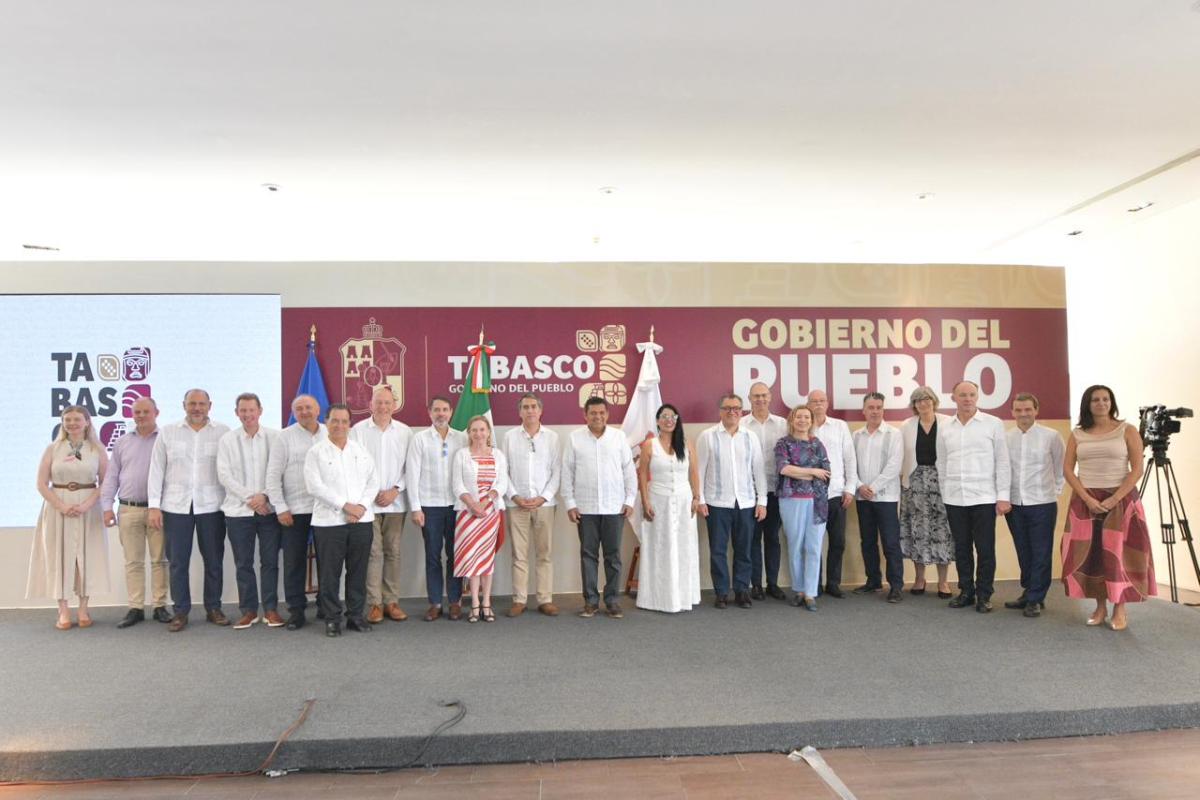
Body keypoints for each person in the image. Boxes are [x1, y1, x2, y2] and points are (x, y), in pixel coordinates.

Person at [1061, 385, 1155, 631]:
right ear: (1088, 404)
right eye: (1095, 399)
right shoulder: (1078, 434)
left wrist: (1114, 499)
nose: (1101, 403)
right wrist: (1086, 498)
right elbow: (1068, 470)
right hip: (1086, 501)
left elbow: (1137, 469)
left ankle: (1120, 608)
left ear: (1112, 403)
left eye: (1106, 399)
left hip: (1121, 500)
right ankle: (1100, 606)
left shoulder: (1127, 430)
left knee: (1118, 556)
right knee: (1092, 556)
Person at [148, 389, 231, 632]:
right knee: (177, 562)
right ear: (184, 405)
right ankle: (180, 612)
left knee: (214, 560)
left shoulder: (223, 432)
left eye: (201, 404)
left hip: (212, 506)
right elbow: (156, 470)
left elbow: (229, 469)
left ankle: (213, 608)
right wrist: (154, 506)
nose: (197, 408)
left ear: (210, 405)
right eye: (192, 403)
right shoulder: (168, 432)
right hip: (175, 506)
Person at [27, 405, 110, 630]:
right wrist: (62, 506)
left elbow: (106, 482)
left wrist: (87, 504)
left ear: (87, 422)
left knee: (87, 556)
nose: (72, 423)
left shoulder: (97, 449)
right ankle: (63, 610)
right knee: (59, 557)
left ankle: (83, 609)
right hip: (57, 507)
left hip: (88, 508)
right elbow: (41, 483)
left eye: (77, 419)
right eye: (67, 420)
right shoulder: (52, 449)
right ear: (62, 423)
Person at [304, 403, 379, 637]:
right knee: (329, 573)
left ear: (349, 424)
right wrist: (345, 506)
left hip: (361, 521)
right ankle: (332, 618)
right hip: (329, 523)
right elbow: (314, 486)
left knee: (358, 571)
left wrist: (361, 507)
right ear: (326, 422)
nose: (339, 425)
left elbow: (373, 481)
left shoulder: (360, 450)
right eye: (334, 421)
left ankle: (355, 616)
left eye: (344, 421)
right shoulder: (316, 452)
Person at [939, 380, 1011, 613]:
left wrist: (1003, 496)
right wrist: (945, 492)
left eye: (971, 394)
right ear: (954, 398)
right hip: (954, 497)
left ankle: (984, 595)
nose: (967, 399)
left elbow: (1002, 461)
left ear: (977, 397)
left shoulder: (993, 423)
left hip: (984, 497)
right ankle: (966, 592)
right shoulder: (945, 427)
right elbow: (942, 462)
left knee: (985, 548)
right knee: (961, 548)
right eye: (963, 395)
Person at [561, 396, 637, 618]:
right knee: (588, 555)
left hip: (614, 507)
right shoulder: (575, 438)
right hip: (586, 509)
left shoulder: (618, 437)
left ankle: (612, 601)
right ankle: (591, 602)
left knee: (613, 556)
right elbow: (567, 472)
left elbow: (628, 470)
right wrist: (570, 503)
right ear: (585, 415)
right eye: (593, 413)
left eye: (602, 412)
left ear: (607, 414)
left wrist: (630, 500)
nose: (598, 416)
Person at [100, 396, 170, 628]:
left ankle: (160, 606)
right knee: (133, 561)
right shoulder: (122, 442)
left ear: (156, 413)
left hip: (157, 510)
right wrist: (107, 507)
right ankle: (136, 607)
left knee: (160, 560)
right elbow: (112, 476)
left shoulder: (165, 440)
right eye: (136, 412)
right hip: (128, 509)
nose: (141, 416)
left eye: (145, 412)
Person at [217, 392, 283, 629]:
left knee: (270, 562)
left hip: (269, 510)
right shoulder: (227, 440)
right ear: (237, 413)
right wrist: (251, 499)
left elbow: (279, 471)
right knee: (243, 563)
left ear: (260, 411)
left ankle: (271, 610)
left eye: (251, 410)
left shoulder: (275, 437)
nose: (247, 414)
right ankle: (249, 611)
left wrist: (264, 496)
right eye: (243, 410)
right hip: (238, 512)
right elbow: (224, 475)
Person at [696, 393, 767, 609]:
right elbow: (699, 470)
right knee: (718, 550)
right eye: (727, 408)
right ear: (720, 411)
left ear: (741, 411)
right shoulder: (707, 436)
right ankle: (721, 592)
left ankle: (742, 590)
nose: (732, 412)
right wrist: (700, 499)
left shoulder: (750, 437)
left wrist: (762, 501)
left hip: (746, 503)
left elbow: (758, 470)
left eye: (736, 408)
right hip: (717, 503)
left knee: (744, 549)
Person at [351, 385, 413, 624]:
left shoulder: (405, 432)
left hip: (396, 503)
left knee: (393, 552)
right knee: (373, 553)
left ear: (394, 406)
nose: (383, 407)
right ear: (371, 405)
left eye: (387, 402)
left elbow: (411, 467)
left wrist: (395, 490)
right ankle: (375, 604)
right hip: (368, 504)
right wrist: (372, 492)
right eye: (379, 402)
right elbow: (354, 466)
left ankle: (391, 602)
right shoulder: (358, 431)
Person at [265, 394, 327, 630]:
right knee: (293, 562)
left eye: (308, 407)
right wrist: (280, 507)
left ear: (318, 409)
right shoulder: (284, 437)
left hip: (326, 509)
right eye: (299, 408)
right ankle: (296, 610)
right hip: (294, 510)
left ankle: (326, 605)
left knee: (328, 561)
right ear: (293, 413)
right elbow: (273, 476)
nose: (304, 412)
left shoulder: (330, 433)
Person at [407, 396, 468, 621]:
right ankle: (435, 603)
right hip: (429, 506)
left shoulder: (462, 438)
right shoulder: (420, 439)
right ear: (429, 412)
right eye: (436, 410)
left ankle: (454, 601)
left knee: (455, 555)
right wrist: (416, 508)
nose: (441, 413)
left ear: (451, 412)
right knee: (433, 555)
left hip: (456, 506)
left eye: (444, 409)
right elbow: (412, 474)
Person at [1004, 392, 1065, 618]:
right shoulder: (1006, 438)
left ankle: (1036, 598)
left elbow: (1060, 468)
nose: (1023, 414)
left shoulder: (1051, 436)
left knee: (1041, 552)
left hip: (1042, 503)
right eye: (1019, 410)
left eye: (1028, 409)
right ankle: (1029, 591)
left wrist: (1053, 493)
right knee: (1023, 551)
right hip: (1015, 504)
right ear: (1012, 412)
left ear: (1036, 410)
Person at [636, 403, 702, 613]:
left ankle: (683, 597)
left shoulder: (686, 443)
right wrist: (645, 502)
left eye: (672, 416)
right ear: (657, 421)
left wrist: (696, 497)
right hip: (658, 502)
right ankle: (657, 599)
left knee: (683, 547)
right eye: (664, 416)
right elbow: (643, 474)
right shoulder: (650, 445)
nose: (668, 420)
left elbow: (694, 472)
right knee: (659, 547)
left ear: (677, 420)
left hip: (684, 503)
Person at [501, 393, 561, 617]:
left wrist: (543, 497)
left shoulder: (552, 437)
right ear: (520, 412)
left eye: (534, 406)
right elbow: (503, 471)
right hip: (516, 505)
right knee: (519, 555)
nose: (530, 411)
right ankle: (519, 600)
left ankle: (545, 599)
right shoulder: (509, 437)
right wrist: (515, 496)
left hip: (544, 505)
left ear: (540, 410)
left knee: (544, 554)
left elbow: (557, 471)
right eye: (525, 407)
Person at [452, 416, 510, 623]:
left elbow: (502, 483)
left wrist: (485, 502)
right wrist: (473, 504)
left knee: (486, 559)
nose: (478, 434)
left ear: (488, 432)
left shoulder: (498, 455)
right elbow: (457, 484)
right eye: (474, 430)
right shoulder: (461, 454)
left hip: (490, 513)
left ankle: (486, 602)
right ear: (468, 433)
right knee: (471, 558)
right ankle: (475, 603)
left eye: (482, 430)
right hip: (467, 514)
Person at [899, 386, 955, 598]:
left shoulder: (948, 422)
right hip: (914, 483)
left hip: (942, 482)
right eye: (918, 400)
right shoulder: (906, 425)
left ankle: (943, 581)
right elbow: (901, 456)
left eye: (927, 399)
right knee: (917, 530)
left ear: (934, 401)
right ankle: (920, 579)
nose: (923, 403)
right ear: (914, 405)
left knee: (942, 531)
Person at [775, 405, 830, 611]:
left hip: (817, 502)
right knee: (795, 545)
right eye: (799, 417)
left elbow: (826, 473)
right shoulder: (783, 443)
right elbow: (784, 468)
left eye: (807, 417)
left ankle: (810, 593)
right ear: (792, 420)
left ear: (811, 421)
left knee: (814, 547)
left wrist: (802, 472)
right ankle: (798, 590)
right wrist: (813, 471)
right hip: (791, 500)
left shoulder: (817, 444)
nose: (803, 420)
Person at [853, 392, 905, 603]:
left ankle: (896, 586)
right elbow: (851, 464)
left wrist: (872, 488)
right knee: (867, 541)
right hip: (862, 498)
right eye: (871, 407)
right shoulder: (856, 435)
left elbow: (894, 466)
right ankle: (873, 580)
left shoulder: (894, 434)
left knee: (890, 543)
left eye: (879, 407)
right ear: (864, 410)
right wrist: (859, 486)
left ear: (883, 409)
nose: (875, 411)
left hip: (886, 498)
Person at [739, 382, 788, 600]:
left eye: (764, 395)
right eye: (756, 396)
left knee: (773, 538)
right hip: (749, 492)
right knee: (752, 539)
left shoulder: (783, 424)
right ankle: (756, 584)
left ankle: (773, 584)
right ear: (749, 399)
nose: (760, 399)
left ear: (770, 397)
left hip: (776, 490)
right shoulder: (741, 424)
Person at [808, 389, 857, 598]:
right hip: (810, 494)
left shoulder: (840, 426)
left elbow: (849, 458)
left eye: (822, 400)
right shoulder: (803, 425)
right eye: (814, 401)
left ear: (827, 403)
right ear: (808, 404)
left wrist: (850, 488)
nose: (818, 404)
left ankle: (833, 583)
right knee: (814, 542)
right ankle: (815, 584)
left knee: (838, 541)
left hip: (836, 493)